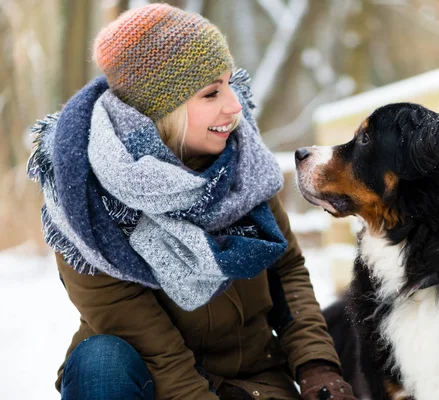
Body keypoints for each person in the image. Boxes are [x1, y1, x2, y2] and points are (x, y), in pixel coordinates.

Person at [26, 4, 355, 400]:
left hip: (252, 380)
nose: (234, 105)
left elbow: (286, 268)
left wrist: (316, 364)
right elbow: (160, 354)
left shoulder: (242, 166)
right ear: (159, 108)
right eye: (211, 92)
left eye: (229, 84)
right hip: (150, 383)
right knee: (101, 359)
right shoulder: (87, 199)